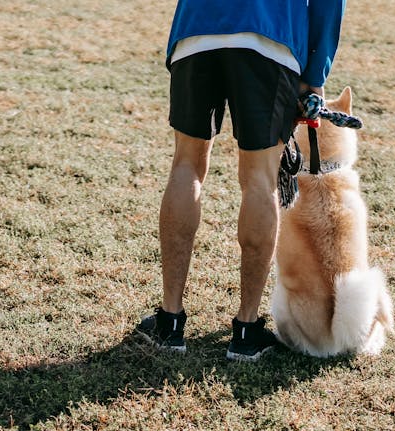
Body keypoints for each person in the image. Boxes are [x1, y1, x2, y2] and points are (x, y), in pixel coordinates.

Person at [137, 0, 347, 362]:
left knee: (186, 165)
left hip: (197, 31)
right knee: (260, 180)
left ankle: (170, 322)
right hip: (271, 38)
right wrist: (315, 79)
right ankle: (246, 331)